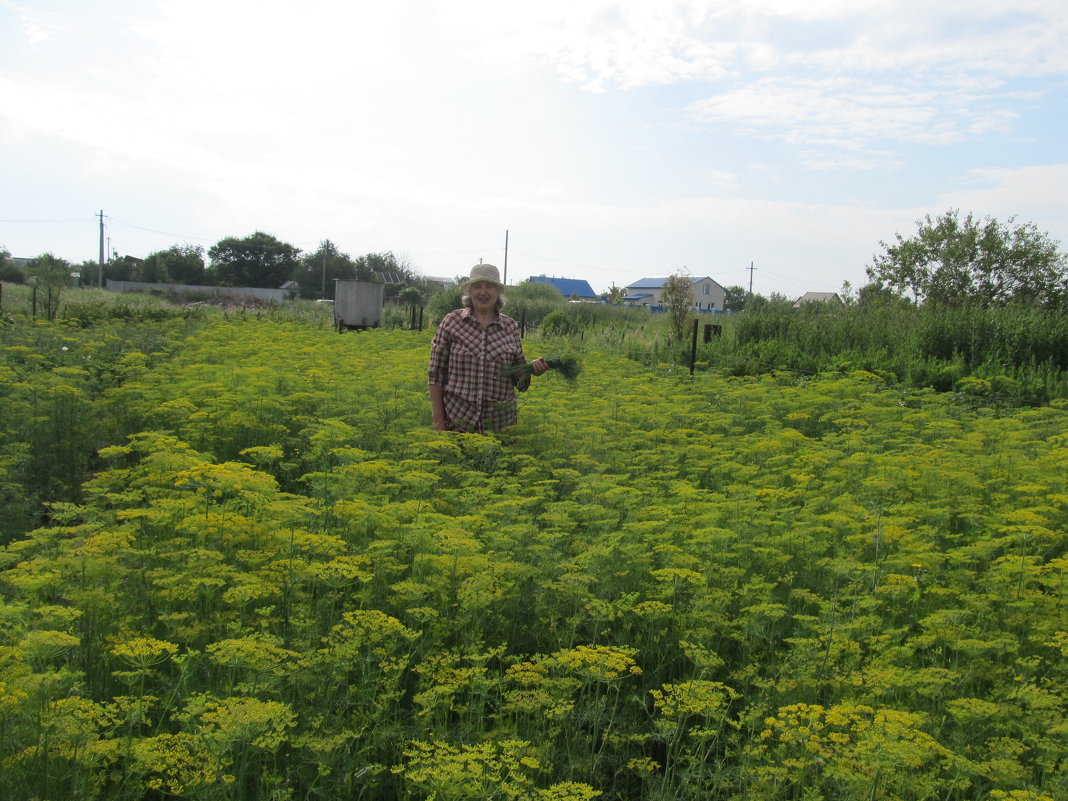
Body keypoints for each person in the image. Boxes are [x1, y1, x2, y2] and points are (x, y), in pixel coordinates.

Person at [428, 264, 547, 433]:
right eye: (477, 286)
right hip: (458, 427)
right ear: (469, 291)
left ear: (498, 291)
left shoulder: (510, 327)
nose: (483, 292)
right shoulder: (452, 322)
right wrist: (439, 423)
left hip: (500, 429)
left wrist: (532, 369)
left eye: (489, 286)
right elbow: (435, 375)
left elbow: (520, 382)